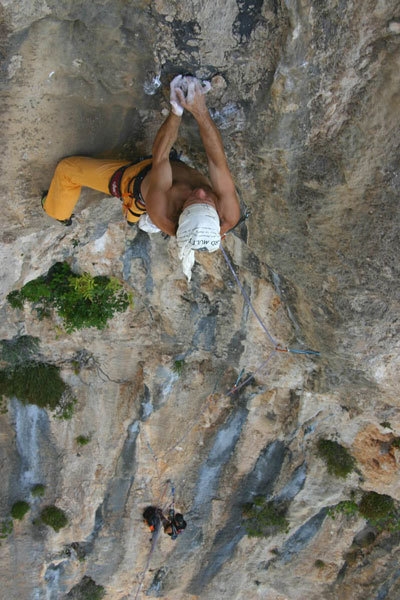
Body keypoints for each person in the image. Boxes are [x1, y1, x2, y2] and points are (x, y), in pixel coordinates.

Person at [42, 75, 241, 278]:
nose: (200, 192)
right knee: (137, 214)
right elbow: (217, 161)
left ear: (180, 212)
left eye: (194, 200)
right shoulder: (228, 214)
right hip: (166, 174)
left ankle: (58, 213)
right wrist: (200, 111)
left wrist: (176, 112)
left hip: (133, 181)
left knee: (67, 170)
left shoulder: (162, 212)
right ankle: (134, 219)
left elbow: (161, 158)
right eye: (207, 201)